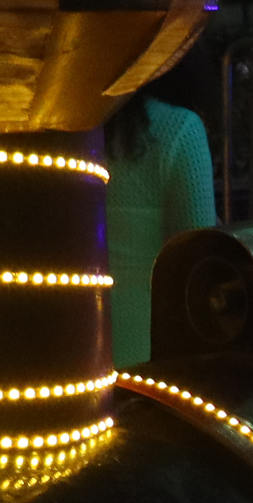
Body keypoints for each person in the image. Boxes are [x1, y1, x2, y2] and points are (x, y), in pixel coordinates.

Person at [103, 80, 217, 366]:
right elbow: (199, 271)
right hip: (147, 369)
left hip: (57, 362)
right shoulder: (178, 131)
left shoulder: (49, 130)